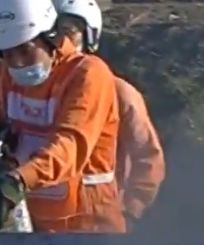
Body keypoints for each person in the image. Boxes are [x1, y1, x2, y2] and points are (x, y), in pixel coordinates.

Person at [0, 0, 125, 234]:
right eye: (6, 54)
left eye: (25, 49)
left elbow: (70, 146)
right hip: (30, 225)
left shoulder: (88, 75)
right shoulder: (3, 76)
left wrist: (19, 179)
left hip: (89, 229)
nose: (17, 61)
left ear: (50, 36)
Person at [52, 0, 166, 225]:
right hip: (45, 223)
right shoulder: (34, 93)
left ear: (89, 37)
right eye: (52, 32)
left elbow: (148, 157)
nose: (59, 43)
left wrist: (131, 210)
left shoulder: (119, 93)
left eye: (68, 32)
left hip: (99, 225)